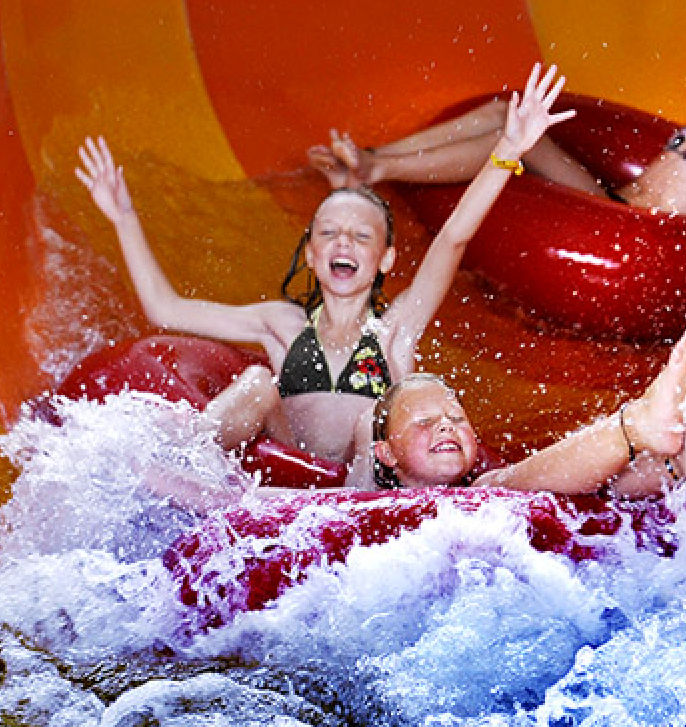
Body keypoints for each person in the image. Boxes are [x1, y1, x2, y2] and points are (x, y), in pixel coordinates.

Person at [77, 63, 575, 464]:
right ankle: (174, 466)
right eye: (330, 234)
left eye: (362, 236)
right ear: (313, 255)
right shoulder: (280, 323)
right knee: (255, 385)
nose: (345, 244)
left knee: (370, 422)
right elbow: (167, 310)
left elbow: (453, 238)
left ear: (385, 260)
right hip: (289, 470)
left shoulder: (396, 330)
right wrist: (123, 217)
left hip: (362, 494)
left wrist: (508, 148)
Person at [345, 330, 686, 499]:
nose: (446, 424)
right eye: (424, 422)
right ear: (386, 453)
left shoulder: (484, 488)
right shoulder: (365, 495)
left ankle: (670, 456)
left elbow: (598, 493)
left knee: (498, 488)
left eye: (457, 418)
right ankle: (637, 425)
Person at [309, 69, 686, 214]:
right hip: (613, 198)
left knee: (508, 141)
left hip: (627, 223)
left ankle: (376, 171)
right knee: (504, 112)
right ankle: (367, 157)